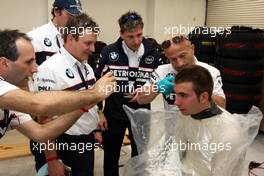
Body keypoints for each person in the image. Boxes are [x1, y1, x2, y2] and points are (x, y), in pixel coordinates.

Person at [0, 29, 116, 140]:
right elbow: (38, 104)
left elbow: (40, 133)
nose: (35, 69)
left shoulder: (12, 99)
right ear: (4, 63)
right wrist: (94, 93)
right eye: (28, 62)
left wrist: (85, 105)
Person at [31, 13, 102, 176]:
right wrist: (52, 159)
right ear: (70, 38)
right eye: (88, 43)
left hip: (84, 143)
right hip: (63, 145)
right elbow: (44, 121)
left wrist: (96, 126)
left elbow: (89, 101)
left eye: (94, 43)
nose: (92, 49)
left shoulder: (87, 67)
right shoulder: (49, 69)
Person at [95, 11, 161, 176]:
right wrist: (99, 111)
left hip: (142, 111)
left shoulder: (153, 52)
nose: (137, 41)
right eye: (131, 36)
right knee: (111, 155)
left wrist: (152, 90)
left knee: (140, 155)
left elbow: (159, 80)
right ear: (121, 34)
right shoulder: (108, 52)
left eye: (139, 35)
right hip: (114, 112)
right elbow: (96, 83)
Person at [174, 65, 253, 176]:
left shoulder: (228, 133)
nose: (176, 102)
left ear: (204, 97)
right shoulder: (187, 113)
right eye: (176, 94)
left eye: (183, 95)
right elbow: (178, 151)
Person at [132, 34, 226, 110]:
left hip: (201, 129)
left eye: (182, 56)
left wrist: (198, 93)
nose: (180, 64)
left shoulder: (211, 72)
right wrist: (157, 87)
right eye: (173, 59)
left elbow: (222, 106)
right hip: (173, 131)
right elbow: (140, 99)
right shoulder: (162, 71)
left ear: (192, 49)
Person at [27, 0, 83, 65]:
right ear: (57, 12)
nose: (75, 20)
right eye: (71, 15)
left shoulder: (78, 39)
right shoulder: (34, 38)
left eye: (78, 16)